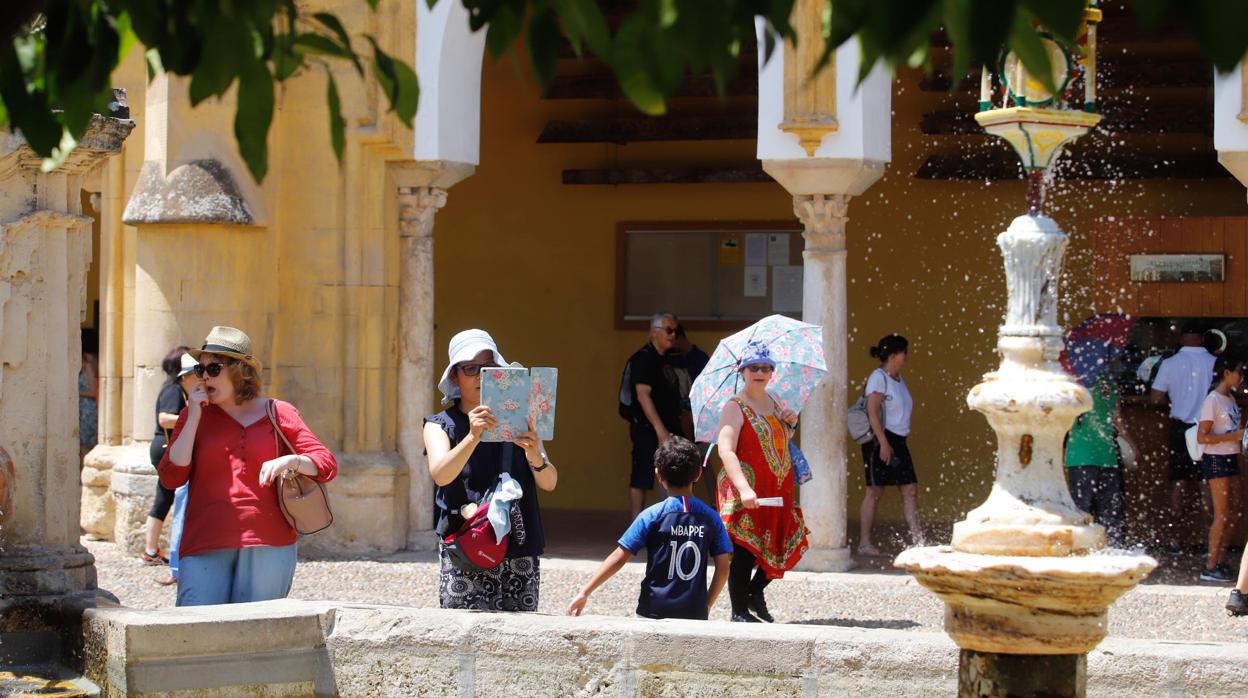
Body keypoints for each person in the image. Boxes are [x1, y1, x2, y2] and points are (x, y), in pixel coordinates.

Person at [159, 326, 337, 606]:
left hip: (269, 541)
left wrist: (292, 461)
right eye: (200, 369)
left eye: (214, 368)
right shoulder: (194, 416)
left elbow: (326, 464)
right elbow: (171, 476)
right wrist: (193, 416)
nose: (204, 376)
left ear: (240, 371)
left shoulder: (279, 412)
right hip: (206, 539)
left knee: (258, 636)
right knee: (198, 636)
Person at [424, 329, 557, 612]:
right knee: (464, 642)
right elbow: (441, 474)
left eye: (489, 368)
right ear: (455, 377)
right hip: (467, 544)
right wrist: (473, 436)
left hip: (518, 544)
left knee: (520, 644)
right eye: (472, 368)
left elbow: (549, 482)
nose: (481, 377)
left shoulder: (522, 420)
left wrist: (535, 455)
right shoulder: (439, 424)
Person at [566, 436, 731, 620]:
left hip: (652, 610)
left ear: (658, 474)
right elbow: (723, 569)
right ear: (698, 473)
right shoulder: (712, 518)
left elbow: (619, 558)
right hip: (694, 614)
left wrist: (585, 592)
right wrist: (706, 605)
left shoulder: (651, 515)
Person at [715, 341, 807, 623]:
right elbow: (726, 449)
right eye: (754, 367)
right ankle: (739, 612)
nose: (761, 372)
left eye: (766, 368)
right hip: (748, 487)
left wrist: (790, 423)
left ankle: (754, 593)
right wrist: (743, 488)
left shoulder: (775, 400)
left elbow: (777, 440)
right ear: (743, 371)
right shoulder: (735, 406)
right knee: (745, 550)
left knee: (782, 544)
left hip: (777, 487)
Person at [857, 334, 923, 556]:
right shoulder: (878, 378)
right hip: (880, 440)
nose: (907, 357)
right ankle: (864, 543)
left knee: (910, 489)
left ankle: (917, 540)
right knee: (875, 491)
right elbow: (872, 411)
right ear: (894, 355)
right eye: (904, 352)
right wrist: (884, 443)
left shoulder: (898, 378)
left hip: (899, 440)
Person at [1151, 324, 1217, 547]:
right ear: (1201, 338)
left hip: (1180, 429)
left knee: (1178, 483)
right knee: (1207, 484)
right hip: (1207, 429)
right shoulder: (1213, 362)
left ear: (1180, 339)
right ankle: (1211, 540)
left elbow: (1156, 398)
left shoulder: (1169, 364)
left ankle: (1174, 540)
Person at [624, 312, 687, 518]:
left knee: (671, 472)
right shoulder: (643, 359)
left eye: (675, 331)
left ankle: (669, 520)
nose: (673, 335)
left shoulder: (667, 360)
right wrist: (661, 431)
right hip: (647, 429)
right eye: (668, 330)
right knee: (641, 475)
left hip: (670, 427)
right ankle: (636, 525)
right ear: (654, 332)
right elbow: (643, 396)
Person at [1064, 374, 1138, 547]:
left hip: (1080, 456)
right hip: (1106, 455)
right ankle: (1112, 547)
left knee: (1083, 508)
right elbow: (1117, 419)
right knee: (1111, 509)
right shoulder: (1108, 384)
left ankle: (1081, 547)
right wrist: (1133, 445)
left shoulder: (1075, 385)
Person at [142, 346, 193, 571]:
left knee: (164, 498)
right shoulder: (174, 389)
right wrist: (193, 416)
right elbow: (164, 419)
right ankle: (156, 550)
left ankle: (151, 550)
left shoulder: (176, 389)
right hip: (166, 447)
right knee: (171, 498)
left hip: (165, 447)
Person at [1194, 354, 1244, 583]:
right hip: (1216, 459)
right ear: (1226, 373)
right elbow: (1202, 436)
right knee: (1222, 514)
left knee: (1235, 512)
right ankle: (1210, 565)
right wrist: (1235, 436)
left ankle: (1220, 560)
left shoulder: (1231, 399)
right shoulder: (1212, 400)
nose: (1241, 377)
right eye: (1239, 372)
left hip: (1232, 457)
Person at [79, 328, 99, 460]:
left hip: (88, 411)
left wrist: (77, 392)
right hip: (85, 410)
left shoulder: (88, 365)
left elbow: (93, 391)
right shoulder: (90, 362)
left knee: (85, 447)